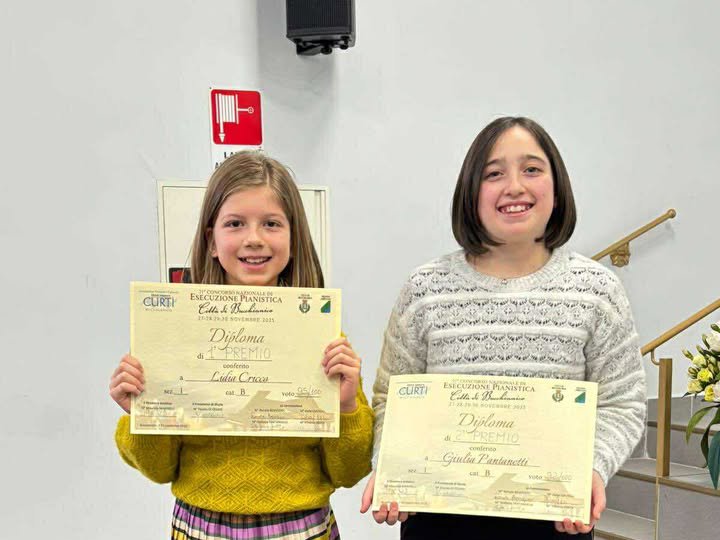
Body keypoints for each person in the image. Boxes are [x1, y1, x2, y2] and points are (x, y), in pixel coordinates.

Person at [360, 117, 647, 538]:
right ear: (470, 192)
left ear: (557, 186)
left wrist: (592, 469)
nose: (514, 186)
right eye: (493, 174)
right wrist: (392, 466)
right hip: (438, 521)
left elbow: (622, 402)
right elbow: (392, 398)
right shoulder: (424, 289)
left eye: (532, 169)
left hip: (554, 521)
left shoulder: (597, 290)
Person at [110, 151, 374, 540]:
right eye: (235, 223)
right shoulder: (175, 336)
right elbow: (158, 469)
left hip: (302, 528)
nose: (254, 239)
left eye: (271, 223)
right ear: (212, 241)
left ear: (293, 239)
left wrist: (347, 407)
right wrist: (143, 413)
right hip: (200, 527)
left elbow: (349, 472)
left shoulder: (324, 339)